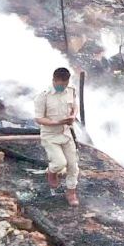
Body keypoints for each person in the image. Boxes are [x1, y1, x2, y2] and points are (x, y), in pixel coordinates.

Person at [34, 68, 80, 206]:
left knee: (73, 165)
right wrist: (57, 122)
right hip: (50, 135)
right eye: (59, 84)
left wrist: (73, 116)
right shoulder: (43, 96)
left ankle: (71, 192)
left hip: (66, 133)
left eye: (64, 84)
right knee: (60, 163)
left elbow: (74, 106)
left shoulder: (71, 90)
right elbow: (39, 119)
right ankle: (51, 171)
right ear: (53, 80)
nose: (62, 87)